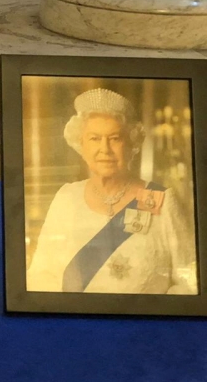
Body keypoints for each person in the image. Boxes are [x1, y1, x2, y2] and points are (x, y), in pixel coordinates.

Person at [27, 88, 196, 294]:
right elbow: (40, 275)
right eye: (94, 138)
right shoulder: (66, 198)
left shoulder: (161, 200)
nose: (104, 149)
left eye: (115, 138)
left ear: (131, 143)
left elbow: (190, 281)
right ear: (81, 145)